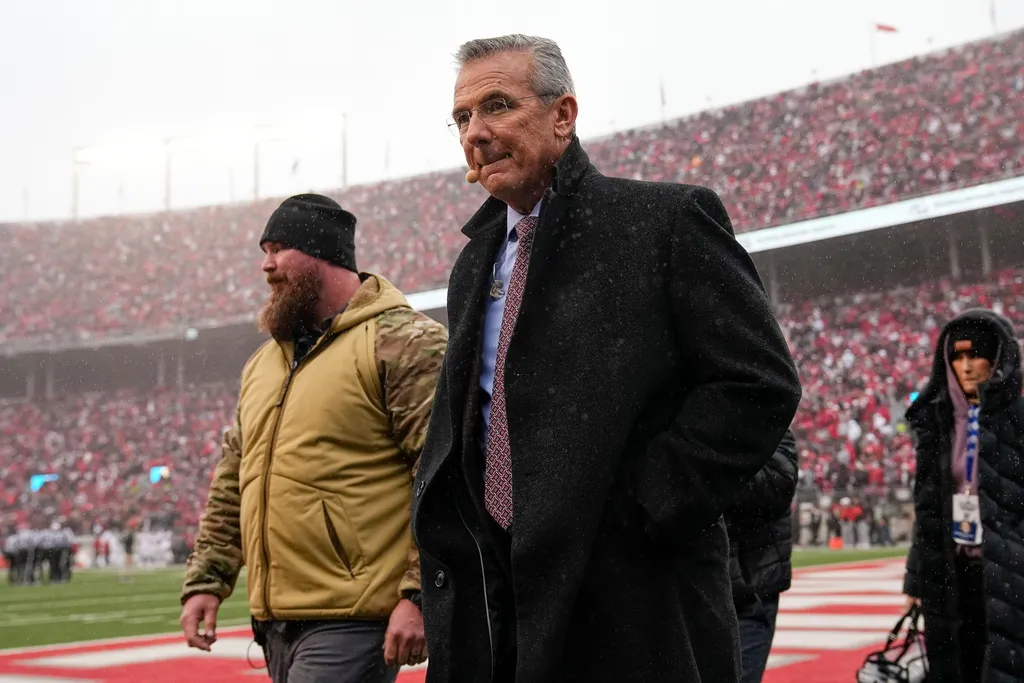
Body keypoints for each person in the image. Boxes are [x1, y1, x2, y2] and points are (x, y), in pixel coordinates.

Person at [411, 35, 801, 683]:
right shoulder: (473, 263)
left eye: (497, 106)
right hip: (502, 604)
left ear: (562, 115)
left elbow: (756, 383)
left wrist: (646, 503)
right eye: (461, 117)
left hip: (636, 606)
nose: (475, 132)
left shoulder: (665, 221)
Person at [180, 193, 448, 683]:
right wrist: (207, 580)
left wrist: (420, 595)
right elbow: (232, 482)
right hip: (276, 623)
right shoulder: (263, 363)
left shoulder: (403, 340)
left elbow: (443, 475)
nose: (266, 265)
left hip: (354, 619)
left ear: (323, 254)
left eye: (279, 248)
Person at [903, 309, 1024, 682]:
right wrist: (915, 580)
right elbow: (928, 511)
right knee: (957, 669)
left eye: (976, 355)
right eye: (957, 356)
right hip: (953, 574)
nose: (967, 366)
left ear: (999, 358)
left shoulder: (1018, 418)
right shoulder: (936, 424)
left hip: (1011, 573)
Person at [727, 429, 798, 683]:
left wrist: (711, 470)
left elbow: (779, 485)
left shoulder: (769, 411)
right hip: (702, 583)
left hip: (751, 585)